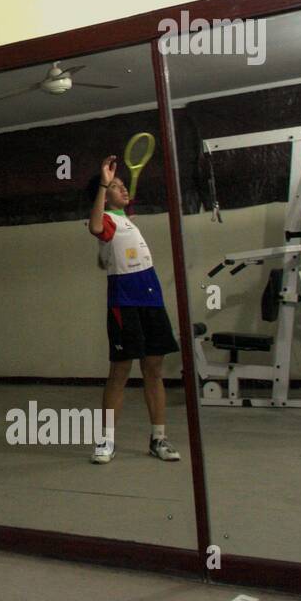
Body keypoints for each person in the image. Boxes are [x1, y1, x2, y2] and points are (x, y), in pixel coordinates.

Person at [86, 155, 181, 465]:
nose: (123, 188)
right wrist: (103, 181)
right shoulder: (108, 221)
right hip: (124, 302)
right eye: (116, 186)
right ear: (102, 193)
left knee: (153, 369)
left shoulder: (126, 219)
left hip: (152, 300)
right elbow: (96, 225)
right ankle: (107, 441)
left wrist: (116, 193)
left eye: (123, 185)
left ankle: (158, 438)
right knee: (121, 370)